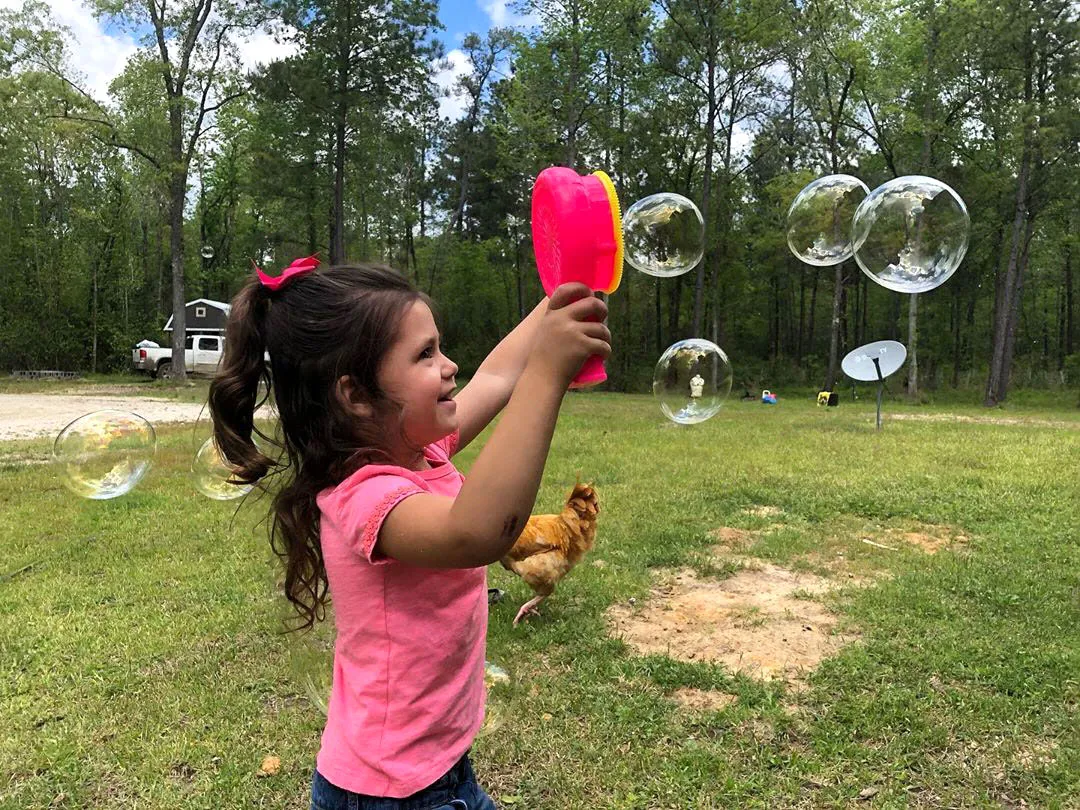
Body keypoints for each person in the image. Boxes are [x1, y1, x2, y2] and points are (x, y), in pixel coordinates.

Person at [208, 255, 610, 810]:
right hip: (390, 793)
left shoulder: (421, 452)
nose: (450, 366)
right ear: (355, 395)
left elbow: (496, 376)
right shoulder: (365, 496)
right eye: (425, 354)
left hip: (437, 771)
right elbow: (477, 532)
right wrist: (548, 372)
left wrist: (564, 294)